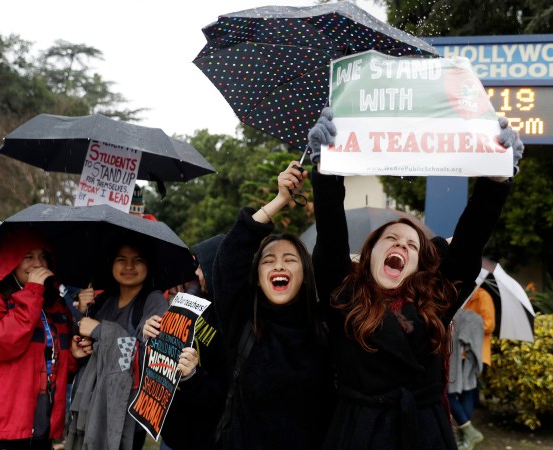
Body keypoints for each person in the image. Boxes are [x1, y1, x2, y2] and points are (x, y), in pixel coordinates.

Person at [307, 107, 523, 449]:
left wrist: (496, 181)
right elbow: (331, 236)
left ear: (418, 265)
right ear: (369, 254)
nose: (401, 245)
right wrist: (326, 170)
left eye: (411, 245)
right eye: (391, 239)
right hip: (357, 433)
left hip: (423, 433)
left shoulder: (436, 300)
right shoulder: (343, 295)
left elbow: (469, 242)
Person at [210, 162, 336, 450]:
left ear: (305, 273)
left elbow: (332, 246)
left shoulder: (326, 326)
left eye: (290, 260)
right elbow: (229, 258)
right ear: (257, 277)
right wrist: (280, 200)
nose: (279, 264)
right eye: (268, 260)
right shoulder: (242, 321)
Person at [0, 227, 89, 449]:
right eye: (27, 257)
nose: (37, 264)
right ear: (11, 262)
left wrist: (74, 355)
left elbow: (56, 365)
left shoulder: (55, 308)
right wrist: (33, 291)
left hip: (37, 428)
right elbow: (5, 344)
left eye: (43, 256)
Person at [65, 239, 169, 450]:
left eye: (137, 260)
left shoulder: (153, 301)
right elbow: (91, 347)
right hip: (91, 404)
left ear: (148, 266)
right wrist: (80, 347)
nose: (129, 266)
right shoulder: (103, 300)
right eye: (121, 259)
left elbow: (146, 354)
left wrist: (100, 330)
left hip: (124, 410)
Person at [154, 234, 230, 450]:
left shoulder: (230, 321)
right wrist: (154, 329)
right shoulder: (192, 302)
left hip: (204, 438)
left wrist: (193, 376)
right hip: (172, 432)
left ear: (217, 266)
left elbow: (221, 393)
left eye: (201, 265)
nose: (195, 272)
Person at [447, 308, 485, 450]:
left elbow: (489, 323)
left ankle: (468, 434)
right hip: (455, 356)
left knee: (458, 392)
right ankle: (466, 436)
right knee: (457, 393)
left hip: (465, 358)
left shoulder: (482, 297)